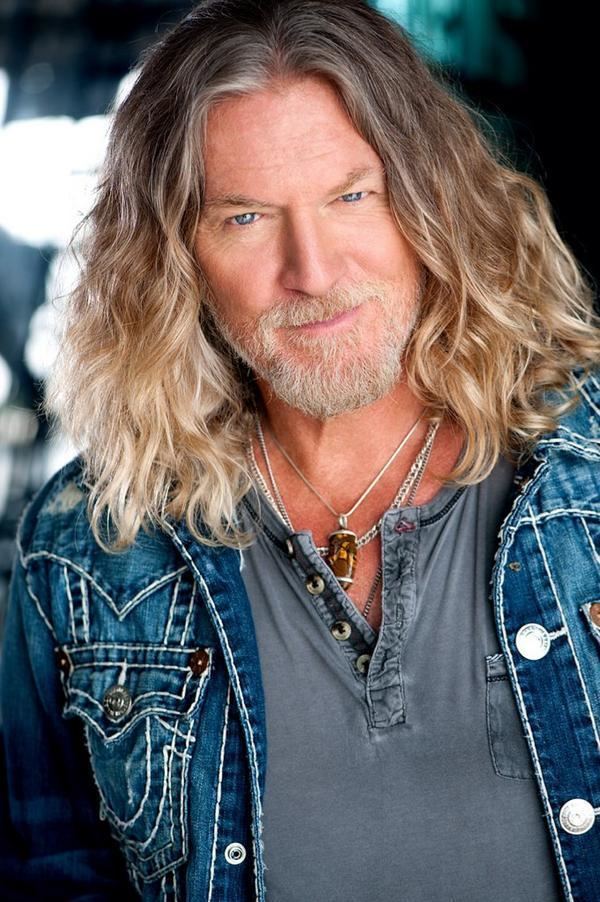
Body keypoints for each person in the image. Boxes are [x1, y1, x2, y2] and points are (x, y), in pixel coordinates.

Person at [2, 1, 600, 899]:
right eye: (244, 217)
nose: (312, 271)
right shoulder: (90, 545)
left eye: (352, 195)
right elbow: (49, 875)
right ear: (174, 259)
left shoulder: (586, 470)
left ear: (433, 201)